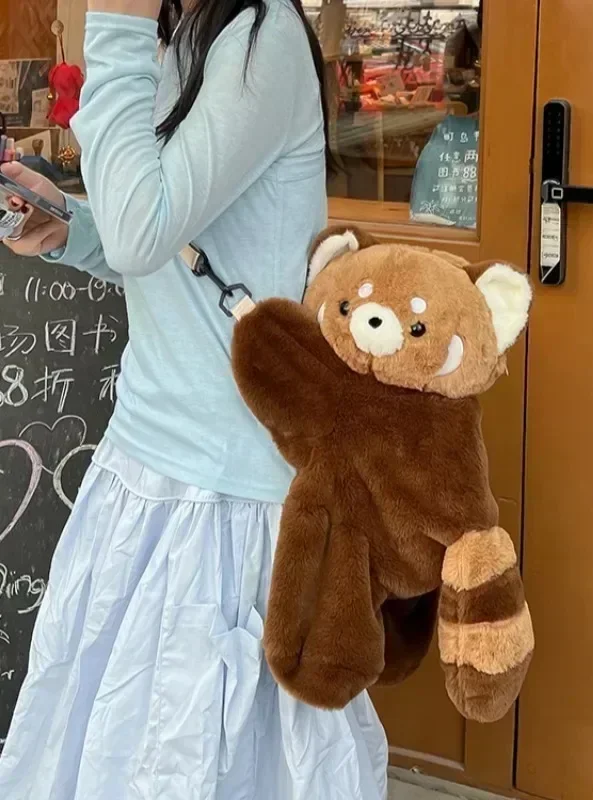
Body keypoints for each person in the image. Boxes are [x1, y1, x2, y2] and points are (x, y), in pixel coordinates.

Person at [0, 0, 388, 798]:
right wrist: (72, 230)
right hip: (141, 470)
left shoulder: (260, 37)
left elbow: (143, 230)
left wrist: (116, 25)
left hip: (231, 494)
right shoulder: (187, 34)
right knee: (114, 754)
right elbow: (166, 244)